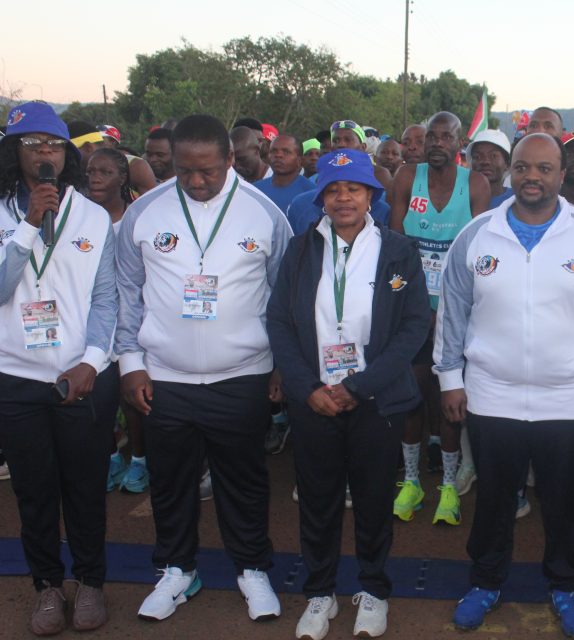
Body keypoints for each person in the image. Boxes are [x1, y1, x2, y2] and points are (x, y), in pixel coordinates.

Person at [435, 132, 574, 639]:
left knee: (563, 501)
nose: (532, 177)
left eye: (545, 169)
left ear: (561, 175)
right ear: (510, 172)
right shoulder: (477, 235)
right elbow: (453, 311)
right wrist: (450, 377)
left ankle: (565, 586)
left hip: (568, 398)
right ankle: (485, 582)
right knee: (495, 500)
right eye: (523, 167)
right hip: (492, 393)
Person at [115, 114, 293, 623]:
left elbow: (284, 297)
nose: (195, 181)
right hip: (164, 376)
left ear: (230, 159)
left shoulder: (264, 214)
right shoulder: (144, 213)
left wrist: (281, 364)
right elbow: (126, 292)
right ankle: (177, 569)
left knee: (244, 481)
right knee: (170, 482)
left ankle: (252, 569)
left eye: (208, 171)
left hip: (242, 374)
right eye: (184, 170)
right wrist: (130, 363)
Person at [266, 147, 430, 640]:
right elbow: (279, 322)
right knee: (318, 501)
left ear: (371, 195)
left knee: (375, 500)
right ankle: (320, 592)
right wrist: (307, 388)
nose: (343, 198)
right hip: (315, 400)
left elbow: (414, 325)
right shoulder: (300, 250)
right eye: (333, 190)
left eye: (353, 189)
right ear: (320, 198)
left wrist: (359, 386)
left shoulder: (399, 250)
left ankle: (374, 590)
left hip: (373, 399)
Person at [0, 101, 118, 635]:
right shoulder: (8, 213)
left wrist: (91, 362)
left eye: (53, 144)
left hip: (81, 377)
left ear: (67, 154)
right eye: (33, 144)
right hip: (15, 377)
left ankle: (90, 581)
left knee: (86, 487)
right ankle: (47, 585)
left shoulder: (93, 216)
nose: (45, 152)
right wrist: (28, 225)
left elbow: (107, 300)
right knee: (34, 491)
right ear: (14, 151)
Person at [389, 111, 490, 527]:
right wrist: (415, 307)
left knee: (450, 401)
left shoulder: (476, 185)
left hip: (457, 312)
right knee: (412, 395)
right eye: (431, 136)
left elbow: (479, 256)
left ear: (459, 144)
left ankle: (448, 485)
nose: (436, 143)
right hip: (413, 309)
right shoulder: (405, 178)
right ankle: (412, 481)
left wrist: (446, 310)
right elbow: (395, 249)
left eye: (446, 137)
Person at [86, 147, 151, 494]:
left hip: (131, 319)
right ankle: (111, 454)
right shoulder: (80, 218)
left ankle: (140, 459)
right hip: (94, 320)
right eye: (91, 172)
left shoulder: (136, 217)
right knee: (98, 397)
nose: (95, 179)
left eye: (105, 172)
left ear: (122, 177)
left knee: (132, 397)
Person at [253, 134, 315, 213]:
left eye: (286, 152)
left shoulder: (312, 193)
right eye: (273, 151)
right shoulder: (255, 190)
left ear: (299, 160)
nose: (278, 155)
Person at [330, 120, 392, 190]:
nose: (341, 145)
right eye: (336, 141)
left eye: (348, 140)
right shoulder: (324, 174)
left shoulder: (378, 174)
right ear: (331, 148)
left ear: (363, 147)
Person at [466, 130, 513, 208]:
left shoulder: (516, 200)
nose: (485, 162)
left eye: (493, 156)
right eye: (477, 156)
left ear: (507, 164)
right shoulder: (459, 197)